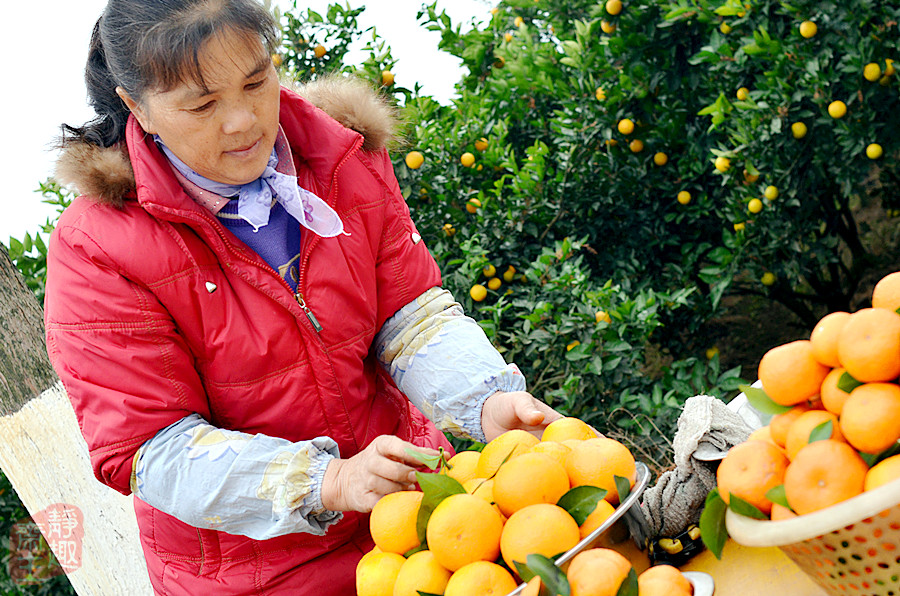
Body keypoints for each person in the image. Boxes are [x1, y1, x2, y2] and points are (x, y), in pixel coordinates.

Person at [44, 0, 562, 593]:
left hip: (425, 519)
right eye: (203, 103)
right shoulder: (99, 250)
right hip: (262, 575)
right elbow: (155, 452)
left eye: (257, 81)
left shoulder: (341, 156)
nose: (243, 121)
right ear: (138, 108)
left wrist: (485, 402)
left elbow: (408, 315)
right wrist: (327, 482)